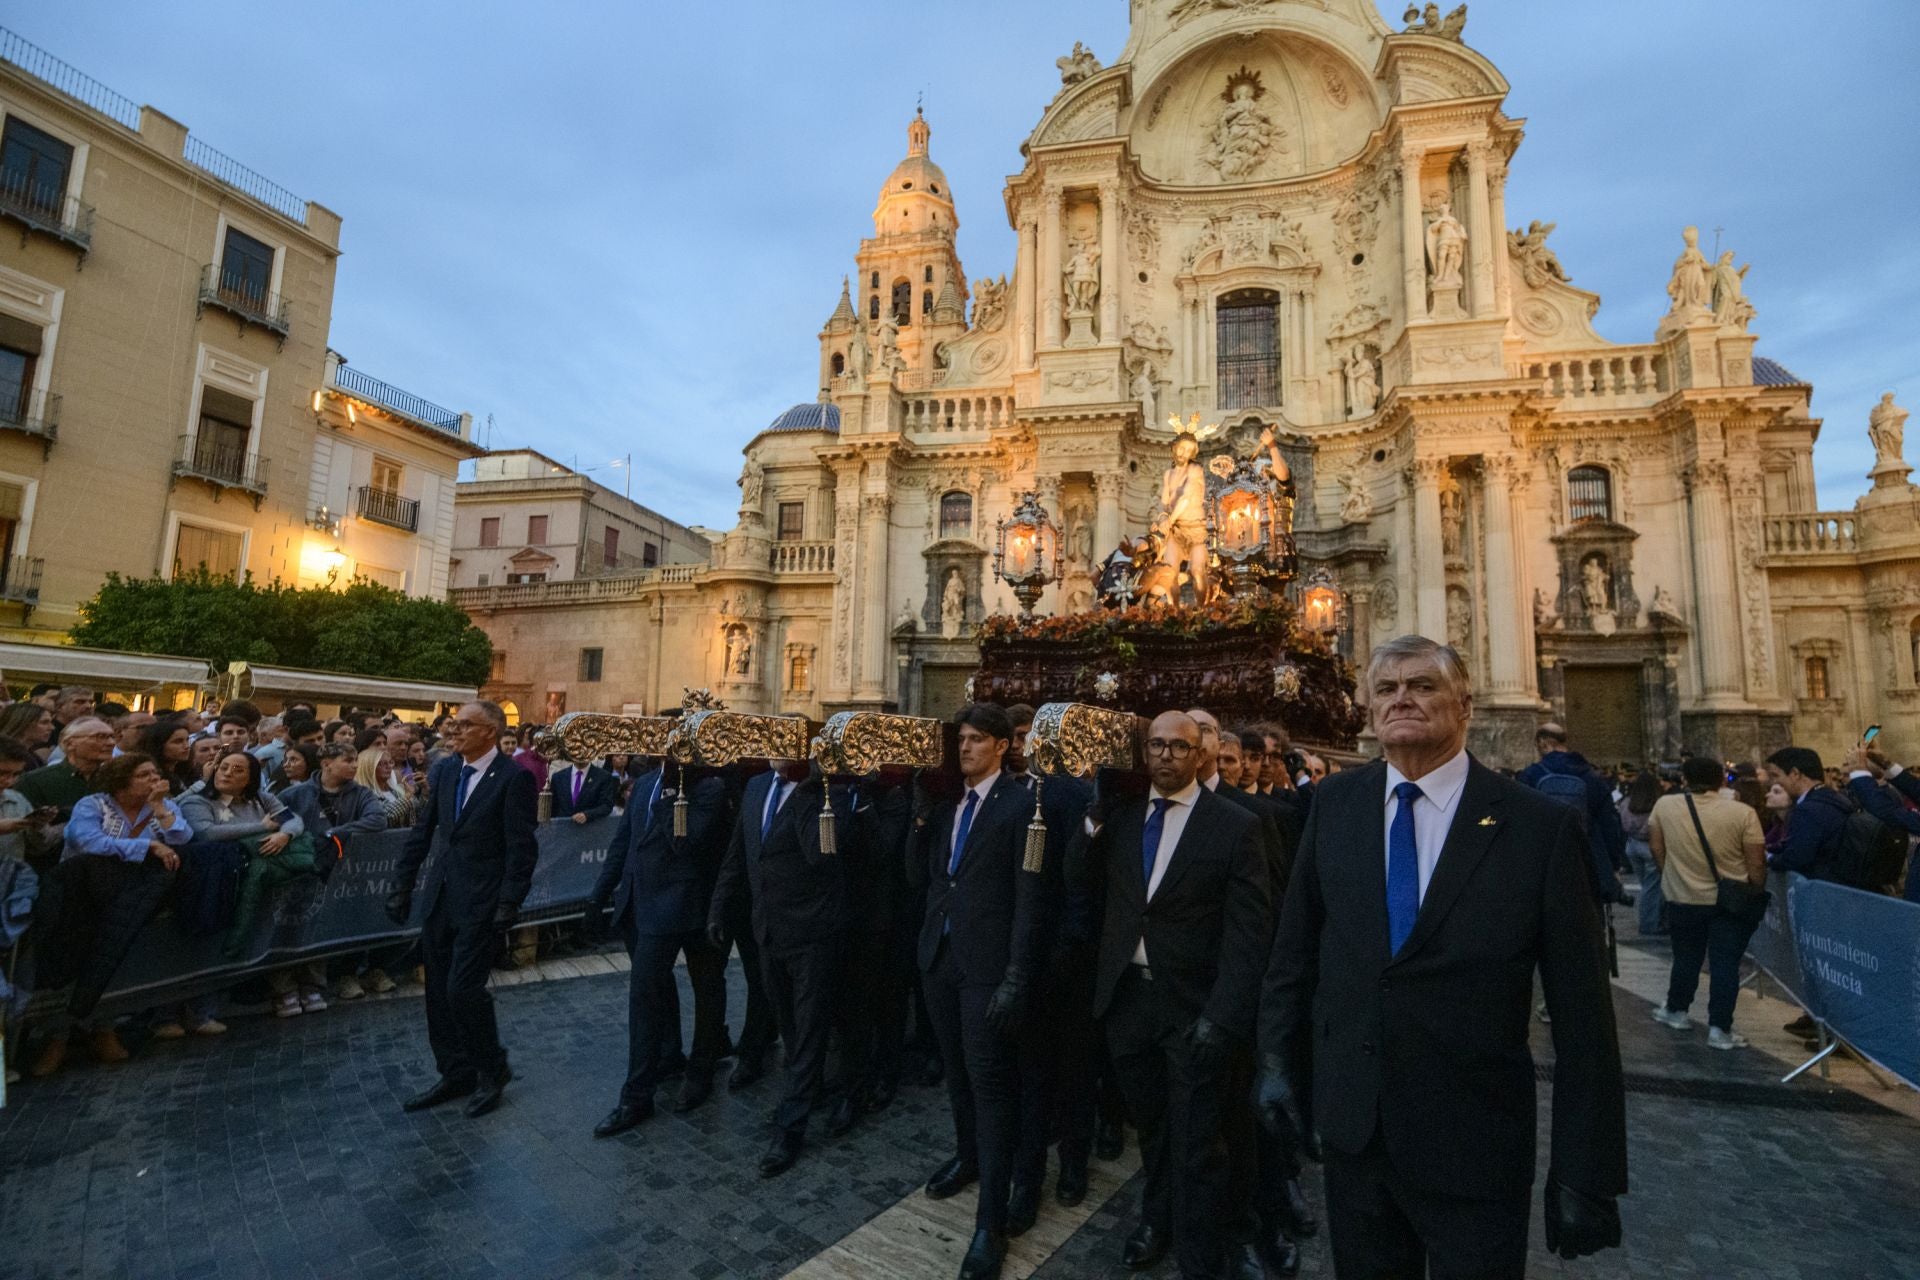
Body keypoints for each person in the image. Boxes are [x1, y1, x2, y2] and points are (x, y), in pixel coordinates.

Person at [1257, 635, 1627, 1278]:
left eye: (1422, 685)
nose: (1402, 699)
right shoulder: (1335, 805)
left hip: (1474, 1140)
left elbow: (1584, 1018)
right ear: (1370, 711)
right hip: (1357, 1131)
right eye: (1386, 689)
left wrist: (1585, 1172)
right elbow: (1294, 953)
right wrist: (1275, 1061)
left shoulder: (1536, 826)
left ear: (1466, 705)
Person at [1069, 711, 1269, 1280]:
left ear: (1200, 755)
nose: (1165, 757)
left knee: (1198, 1142)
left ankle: (1202, 1252)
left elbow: (1249, 935)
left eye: (1178, 747)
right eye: (1155, 746)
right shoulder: (1126, 819)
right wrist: (1093, 819)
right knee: (1153, 1129)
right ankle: (1156, 1220)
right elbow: (1079, 885)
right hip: (1129, 1003)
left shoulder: (1233, 826)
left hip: (1193, 1009)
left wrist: (1222, 1017)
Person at [906, 703, 1041, 1280]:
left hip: (988, 968)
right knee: (957, 1073)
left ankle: (989, 1222)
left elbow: (1031, 900)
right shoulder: (949, 806)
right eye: (960, 739)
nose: (965, 748)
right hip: (940, 959)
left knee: (990, 1084)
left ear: (1002, 747)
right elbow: (923, 878)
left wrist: (1016, 976)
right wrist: (918, 818)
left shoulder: (1022, 806)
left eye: (977, 739)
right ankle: (968, 1157)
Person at [1187, 708, 1303, 1278]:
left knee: (1248, 1122)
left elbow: (1279, 913)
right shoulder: (1147, 809)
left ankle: (1262, 1220)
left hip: (1244, 997)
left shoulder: (1262, 817)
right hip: (1181, 997)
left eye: (1209, 737)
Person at [386, 701, 539, 1118]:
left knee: (463, 989)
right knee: (436, 990)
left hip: (482, 901)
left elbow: (521, 848)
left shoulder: (514, 779)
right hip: (442, 896)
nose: (455, 731)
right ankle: (455, 1071)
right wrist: (402, 883)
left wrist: (510, 900)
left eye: (465, 725)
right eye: (454, 725)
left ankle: (492, 1067)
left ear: (490, 732)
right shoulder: (447, 770)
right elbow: (425, 829)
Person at [708, 759, 852, 1177]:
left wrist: (810, 789)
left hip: (813, 932)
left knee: (808, 1031)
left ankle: (791, 1126)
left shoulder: (828, 793)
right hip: (767, 930)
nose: (776, 752)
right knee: (788, 1025)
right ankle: (810, 1089)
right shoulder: (755, 788)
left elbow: (821, 857)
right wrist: (719, 907)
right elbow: (739, 853)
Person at [588, 749, 737, 1138]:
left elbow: (684, 843)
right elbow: (625, 841)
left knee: (705, 987)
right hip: (641, 903)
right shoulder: (646, 785)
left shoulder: (708, 788)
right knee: (648, 995)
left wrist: (675, 791)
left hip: (689, 904)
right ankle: (657, 1069)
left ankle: (695, 1072)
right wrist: (600, 892)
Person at [29, 752, 192, 1077]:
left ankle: (104, 1029)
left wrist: (159, 809)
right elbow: (87, 840)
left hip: (134, 897)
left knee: (114, 957)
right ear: (122, 780)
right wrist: (146, 848)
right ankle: (58, 1037)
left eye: (154, 773)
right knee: (76, 959)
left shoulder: (164, 804)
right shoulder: (93, 805)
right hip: (81, 896)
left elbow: (183, 838)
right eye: (144, 774)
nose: (153, 780)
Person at [1646, 756, 1766, 1049]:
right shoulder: (1743, 813)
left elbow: (1656, 846)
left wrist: (1671, 874)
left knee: (1686, 957)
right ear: (1721, 780)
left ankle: (1676, 1011)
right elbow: (1757, 864)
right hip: (1729, 901)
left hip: (1684, 897)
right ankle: (1720, 1030)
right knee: (1725, 964)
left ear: (1685, 779)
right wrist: (1752, 889)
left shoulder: (1665, 806)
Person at [1519, 723, 1628, 905]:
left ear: (1543, 743)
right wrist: (1613, 865)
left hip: (1542, 862)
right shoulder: (1592, 777)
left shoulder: (1530, 776)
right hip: (1587, 858)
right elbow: (1609, 824)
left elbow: (1520, 823)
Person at [18, 717, 119, 869]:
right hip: (52, 869)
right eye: (100, 737)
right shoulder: (35, 780)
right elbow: (26, 833)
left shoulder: (119, 780)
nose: (111, 743)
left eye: (112, 737)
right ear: (70, 743)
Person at [1763, 747, 1852, 881]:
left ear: (1794, 774)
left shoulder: (1808, 810)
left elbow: (1797, 858)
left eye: (1776, 776)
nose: (1775, 782)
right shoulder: (1832, 798)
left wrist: (1768, 858)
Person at [1618, 769, 1665, 937]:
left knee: (1646, 885)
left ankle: (1651, 919)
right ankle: (1650, 923)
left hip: (1632, 846)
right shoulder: (1658, 804)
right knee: (1652, 887)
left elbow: (1623, 824)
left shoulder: (1627, 803)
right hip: (1651, 845)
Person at [357, 745, 417, 828]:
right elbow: (383, 818)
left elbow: (418, 813)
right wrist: (407, 798)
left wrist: (425, 793)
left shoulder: (397, 790)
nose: (389, 766)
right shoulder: (364, 796)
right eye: (382, 764)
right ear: (369, 768)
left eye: (390, 762)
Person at [550, 757, 618, 824]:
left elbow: (606, 805)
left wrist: (587, 815)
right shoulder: (558, 777)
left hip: (590, 829)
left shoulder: (604, 777)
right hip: (562, 829)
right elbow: (553, 807)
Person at [0, 701, 55, 766]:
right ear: (23, 724)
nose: (52, 728)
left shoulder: (32, 757)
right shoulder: (7, 756)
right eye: (44, 722)